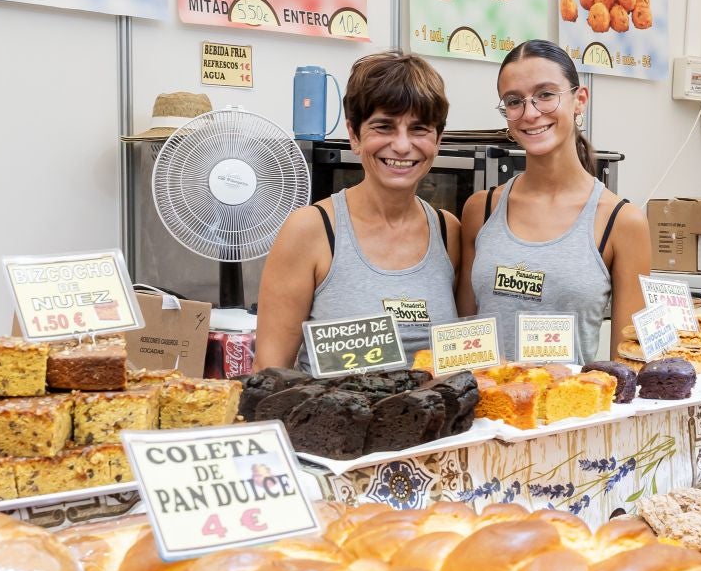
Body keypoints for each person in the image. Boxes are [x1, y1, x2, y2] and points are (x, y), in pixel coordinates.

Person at [256, 51, 460, 371]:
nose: (403, 146)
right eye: (384, 126)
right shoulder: (310, 230)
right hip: (333, 421)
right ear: (354, 135)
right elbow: (269, 375)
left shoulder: (449, 232)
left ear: (438, 139)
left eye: (419, 129)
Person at [460, 40, 650, 361]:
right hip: (488, 408)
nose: (530, 113)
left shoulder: (621, 222)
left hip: (573, 409)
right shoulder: (481, 210)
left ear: (580, 100)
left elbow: (629, 364)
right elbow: (464, 333)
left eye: (546, 95)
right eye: (514, 101)